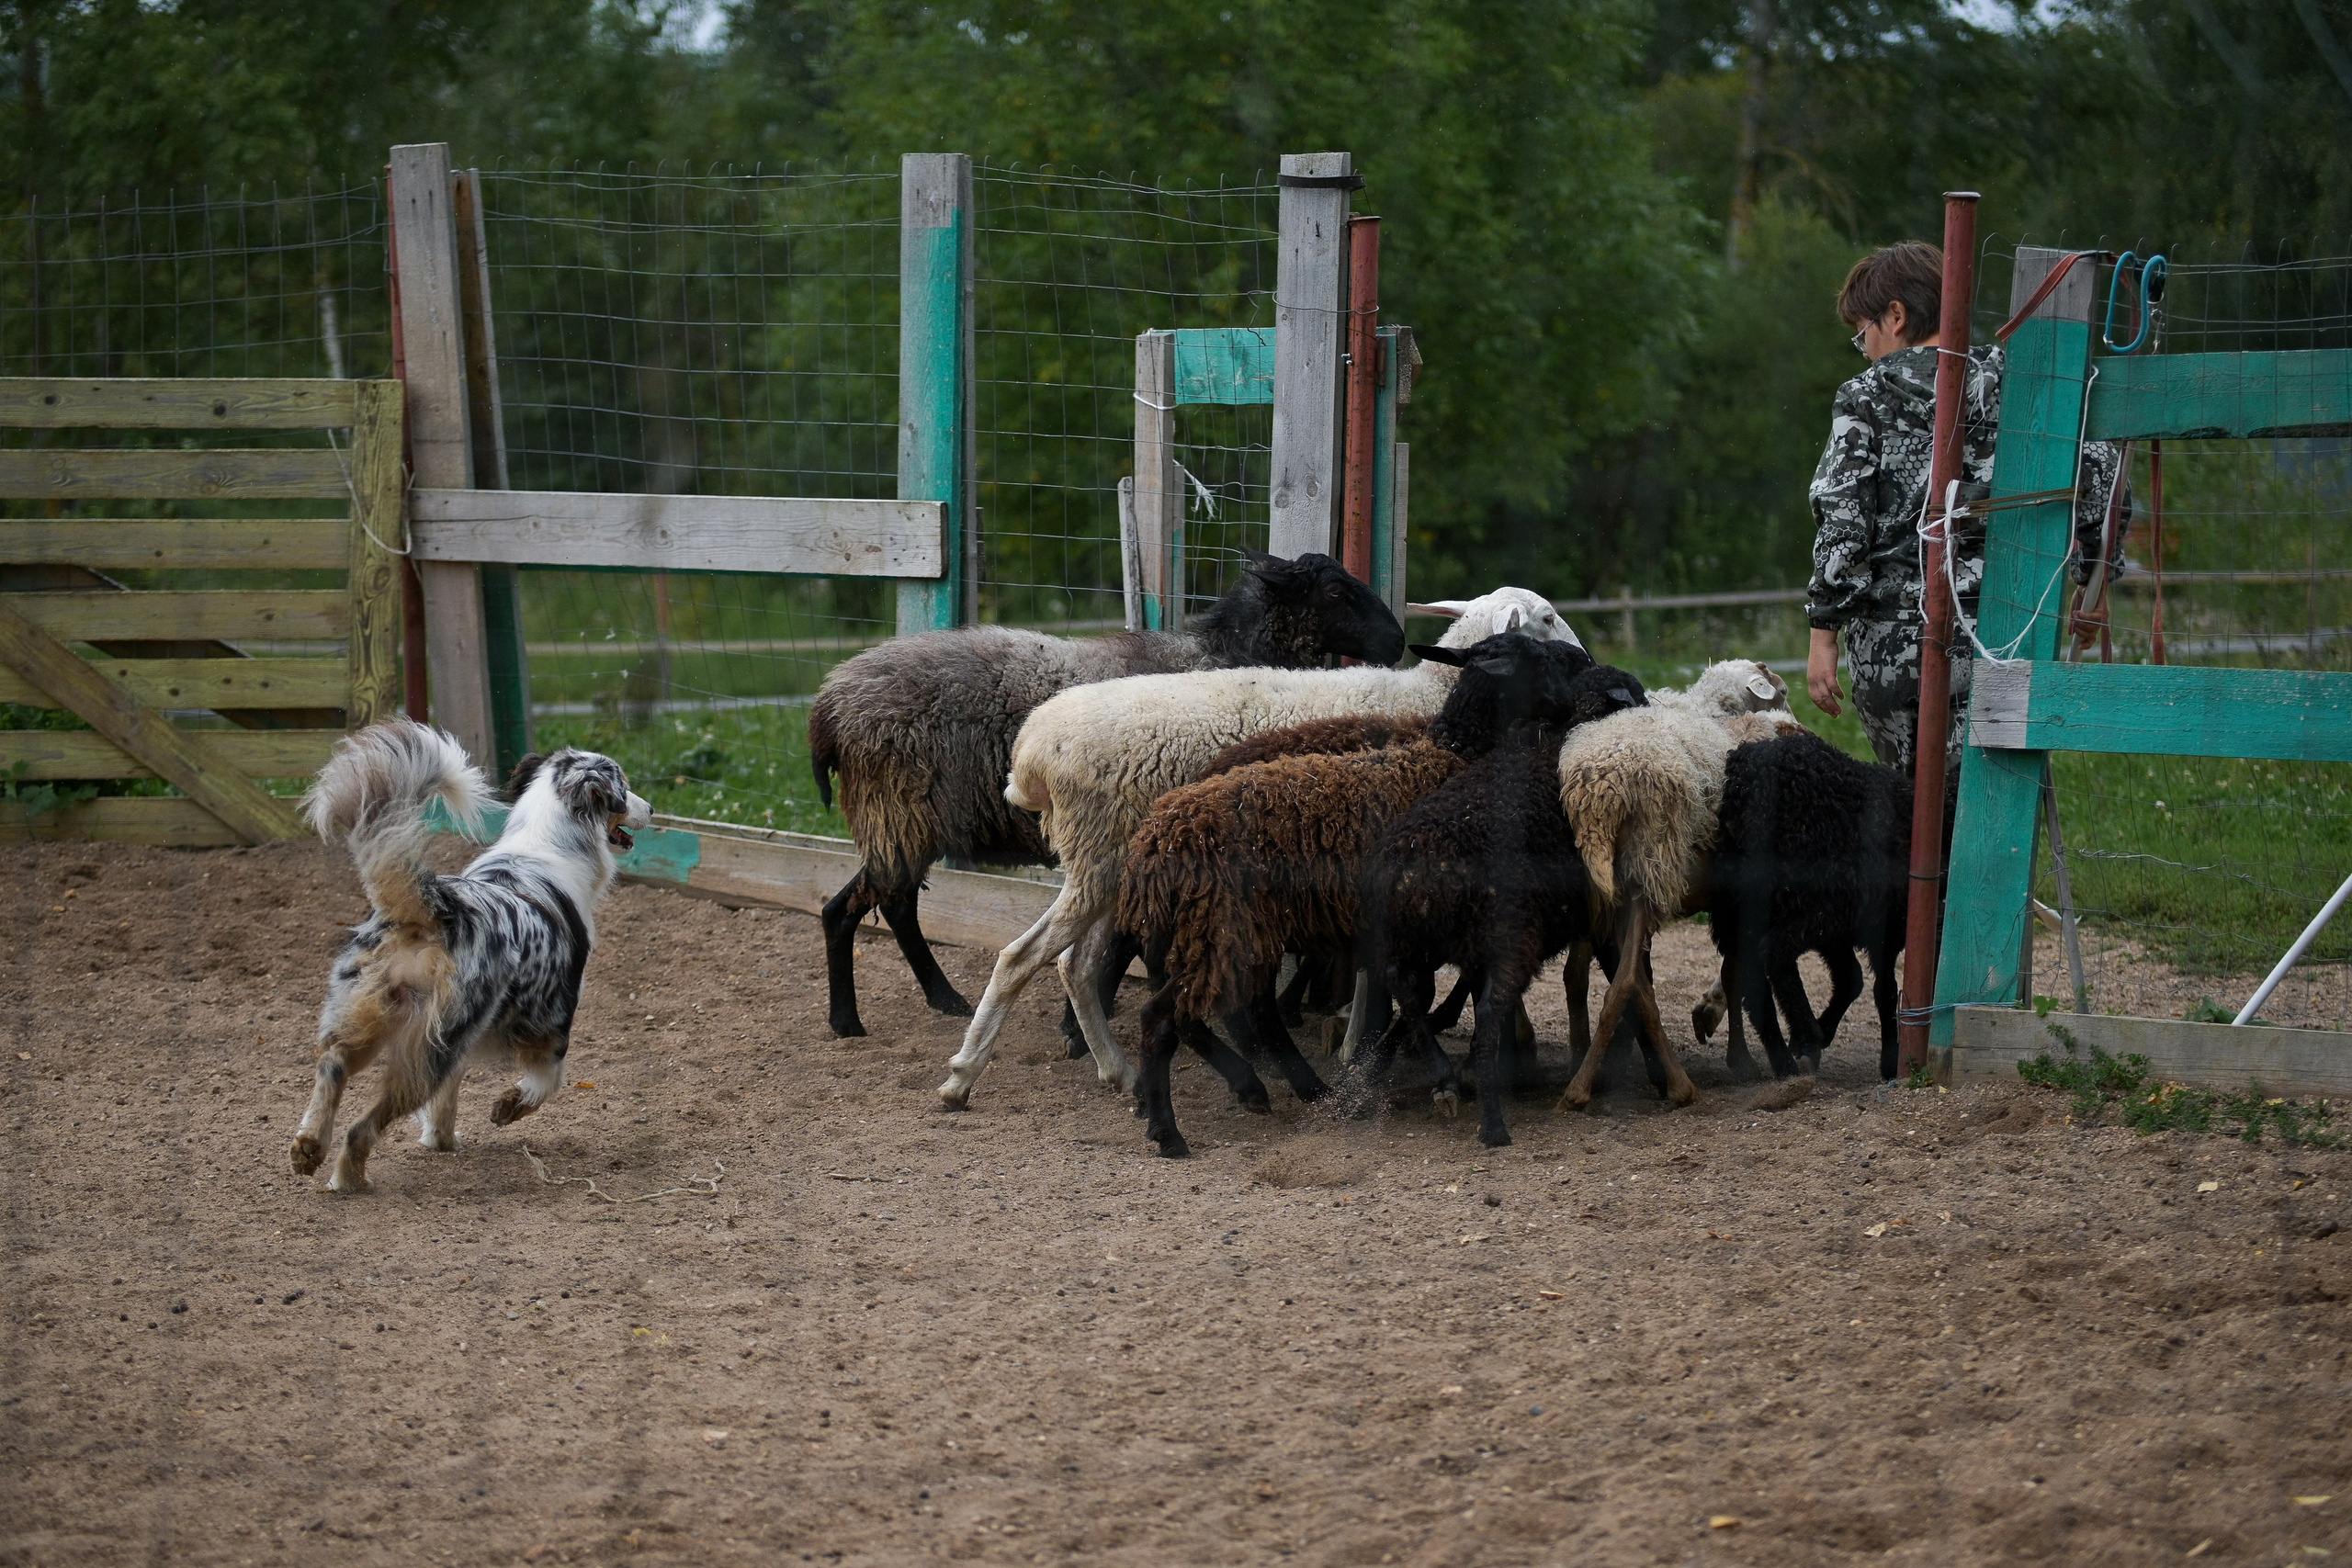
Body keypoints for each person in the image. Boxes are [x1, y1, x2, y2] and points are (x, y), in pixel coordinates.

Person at [1804, 242, 2127, 774]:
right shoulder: (2020, 382)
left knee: (1913, 803)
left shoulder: (1865, 396)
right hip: (2009, 628)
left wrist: (1824, 632)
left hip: (1895, 643)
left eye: (1863, 335)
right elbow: (2101, 474)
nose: (1864, 351)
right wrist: (2094, 582)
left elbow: (1844, 518)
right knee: (1999, 790)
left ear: (1896, 316)